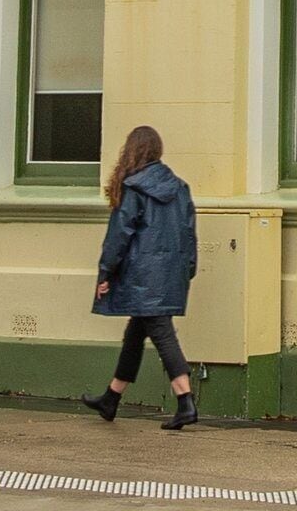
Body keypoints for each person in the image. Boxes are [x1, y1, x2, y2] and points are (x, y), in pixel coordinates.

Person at [84, 124, 201, 431]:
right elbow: (189, 233)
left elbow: (118, 236)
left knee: (162, 333)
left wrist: (106, 271)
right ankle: (111, 398)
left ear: (131, 151)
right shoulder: (180, 187)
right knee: (136, 333)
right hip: (169, 272)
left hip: (142, 275)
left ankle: (185, 399)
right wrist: (187, 269)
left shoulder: (134, 188)